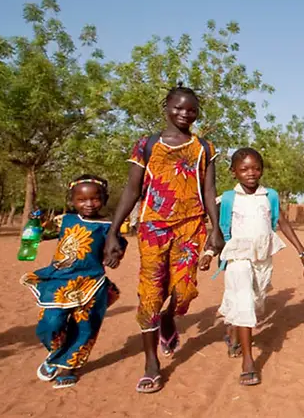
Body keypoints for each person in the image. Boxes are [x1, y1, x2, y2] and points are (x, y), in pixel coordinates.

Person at [104, 84, 224, 394]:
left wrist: (216, 227)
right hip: (153, 228)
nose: (185, 113)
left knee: (184, 292)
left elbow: (209, 191)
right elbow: (132, 189)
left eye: (192, 109)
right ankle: (151, 364)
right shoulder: (146, 145)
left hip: (191, 226)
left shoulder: (204, 148)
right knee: (150, 294)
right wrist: (113, 231)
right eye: (179, 107)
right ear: (166, 106)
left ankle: (170, 318)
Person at [198, 148, 304, 386]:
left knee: (258, 301)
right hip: (238, 258)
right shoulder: (228, 199)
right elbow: (217, 231)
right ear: (234, 172)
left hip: (263, 258)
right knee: (244, 302)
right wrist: (209, 253)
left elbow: (282, 222)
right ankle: (249, 362)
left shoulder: (269, 196)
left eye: (255, 168)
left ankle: (232, 331)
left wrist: (302, 252)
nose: (250, 173)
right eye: (244, 169)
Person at [21, 175, 123, 389]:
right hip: (59, 281)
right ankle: (56, 353)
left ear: (104, 198)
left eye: (95, 199)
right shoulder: (64, 220)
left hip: (90, 283)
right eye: (81, 200)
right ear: (72, 200)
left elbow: (117, 248)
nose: (88, 204)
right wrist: (35, 222)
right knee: (49, 324)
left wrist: (114, 256)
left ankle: (68, 367)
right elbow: (42, 235)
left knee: (85, 327)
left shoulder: (108, 226)